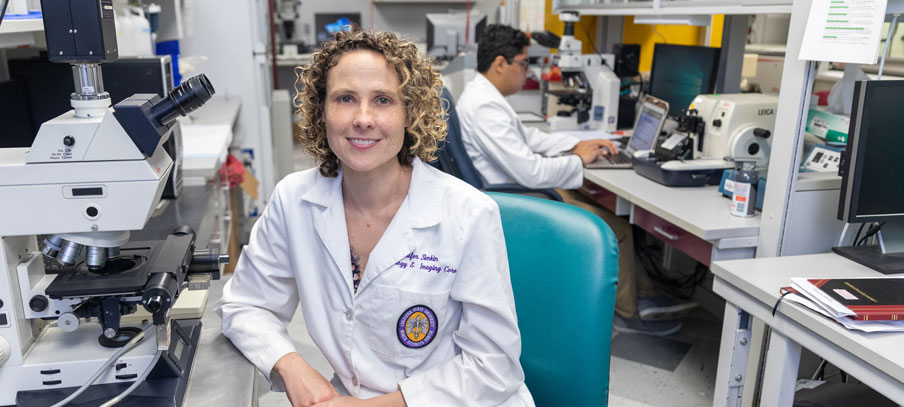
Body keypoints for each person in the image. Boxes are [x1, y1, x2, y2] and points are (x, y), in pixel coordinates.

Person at [216, 30, 535, 407]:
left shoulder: (469, 213)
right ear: (321, 111)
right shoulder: (294, 200)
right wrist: (290, 364)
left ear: (410, 113)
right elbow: (245, 305)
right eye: (346, 98)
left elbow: (494, 366)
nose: (363, 119)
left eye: (383, 100)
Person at [457, 24, 697, 336]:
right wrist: (579, 160)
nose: (527, 71)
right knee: (617, 228)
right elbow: (529, 171)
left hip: (516, 188)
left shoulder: (483, 96)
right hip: (515, 197)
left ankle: (645, 295)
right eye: (524, 63)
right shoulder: (484, 105)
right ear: (501, 63)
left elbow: (527, 138)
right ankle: (627, 314)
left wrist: (573, 145)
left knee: (607, 212)